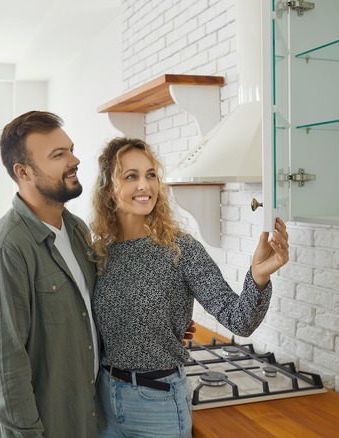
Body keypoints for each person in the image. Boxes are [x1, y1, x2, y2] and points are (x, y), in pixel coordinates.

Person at [90, 137, 289, 438]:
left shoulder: (181, 249)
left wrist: (258, 277)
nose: (145, 185)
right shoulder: (99, 253)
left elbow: (239, 321)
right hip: (104, 399)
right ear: (108, 189)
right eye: (131, 176)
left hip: (157, 405)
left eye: (151, 175)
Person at [0, 111, 100, 437]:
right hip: (43, 427)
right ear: (23, 171)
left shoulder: (77, 230)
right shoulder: (5, 249)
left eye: (70, 149)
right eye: (58, 155)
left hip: (85, 417)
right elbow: (5, 367)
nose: (74, 160)